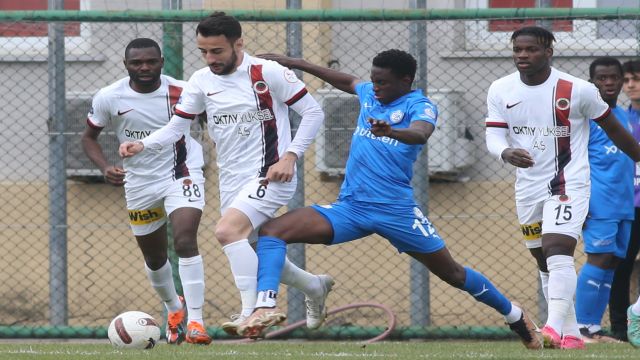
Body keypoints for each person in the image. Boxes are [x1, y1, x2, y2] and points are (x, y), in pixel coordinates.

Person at [234, 48, 543, 350]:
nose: (376, 87)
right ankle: (266, 306)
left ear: (406, 80)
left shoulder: (419, 105)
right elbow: (346, 81)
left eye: (383, 82)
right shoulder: (370, 93)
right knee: (272, 232)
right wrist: (293, 62)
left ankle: (515, 316)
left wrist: (392, 132)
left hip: (397, 212)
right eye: (374, 80)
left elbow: (420, 133)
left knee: (453, 274)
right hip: (351, 208)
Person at [118, 12, 333, 336]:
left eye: (217, 51)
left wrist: (290, 157)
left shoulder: (267, 72)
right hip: (232, 178)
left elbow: (313, 112)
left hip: (271, 173)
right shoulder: (201, 80)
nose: (210, 58)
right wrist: (143, 145)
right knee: (253, 246)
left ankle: (253, 311)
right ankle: (313, 285)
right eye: (203, 51)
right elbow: (178, 125)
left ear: (238, 44)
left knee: (226, 231)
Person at [485, 26, 640, 350]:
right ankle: (571, 333)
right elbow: (494, 135)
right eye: (518, 50)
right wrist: (504, 152)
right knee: (544, 261)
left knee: (558, 250)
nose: (523, 56)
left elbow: (614, 128)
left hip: (569, 183)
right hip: (527, 187)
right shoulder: (500, 89)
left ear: (549, 52)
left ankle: (552, 328)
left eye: (531, 50)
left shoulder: (577, 89)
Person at [82, 38, 211, 345]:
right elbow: (89, 138)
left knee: (184, 238)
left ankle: (197, 321)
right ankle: (174, 309)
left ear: (162, 62)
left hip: (182, 172)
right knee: (154, 258)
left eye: (150, 62)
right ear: (126, 65)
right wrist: (104, 167)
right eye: (137, 62)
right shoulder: (109, 96)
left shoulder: (183, 91)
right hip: (139, 182)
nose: (144, 67)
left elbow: (211, 122)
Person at [574, 57, 632, 343]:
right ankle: (580, 327)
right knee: (598, 258)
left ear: (621, 80)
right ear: (591, 82)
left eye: (613, 78)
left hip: (624, 204)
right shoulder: (586, 119)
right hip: (599, 203)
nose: (608, 83)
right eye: (601, 78)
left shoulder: (620, 114)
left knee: (611, 262)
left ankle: (593, 328)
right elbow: (571, 160)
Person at [609, 59, 640, 344]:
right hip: (624, 204)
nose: (630, 85)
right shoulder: (616, 118)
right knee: (619, 265)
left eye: (636, 79)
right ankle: (619, 326)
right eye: (627, 79)